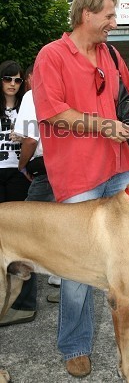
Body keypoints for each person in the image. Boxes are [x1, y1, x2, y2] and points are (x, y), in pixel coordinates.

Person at [32, 0, 129, 378]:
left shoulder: (112, 54)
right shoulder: (51, 55)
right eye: (108, 15)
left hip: (119, 168)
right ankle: (74, 345)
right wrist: (104, 125)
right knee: (76, 268)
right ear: (85, 14)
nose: (113, 23)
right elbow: (53, 113)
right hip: (77, 177)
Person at [0, 64, 58, 328]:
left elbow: (31, 140)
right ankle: (69, 291)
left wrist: (23, 165)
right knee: (63, 232)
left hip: (42, 171)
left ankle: (23, 304)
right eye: (8, 79)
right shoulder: (60, 91)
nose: (16, 83)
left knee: (24, 237)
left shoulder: (32, 96)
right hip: (65, 169)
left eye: (19, 79)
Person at [0, 60, 30, 203]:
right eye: (7, 79)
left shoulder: (27, 107)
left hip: (19, 170)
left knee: (16, 219)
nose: (12, 84)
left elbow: (36, 139)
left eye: (17, 80)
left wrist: (23, 139)